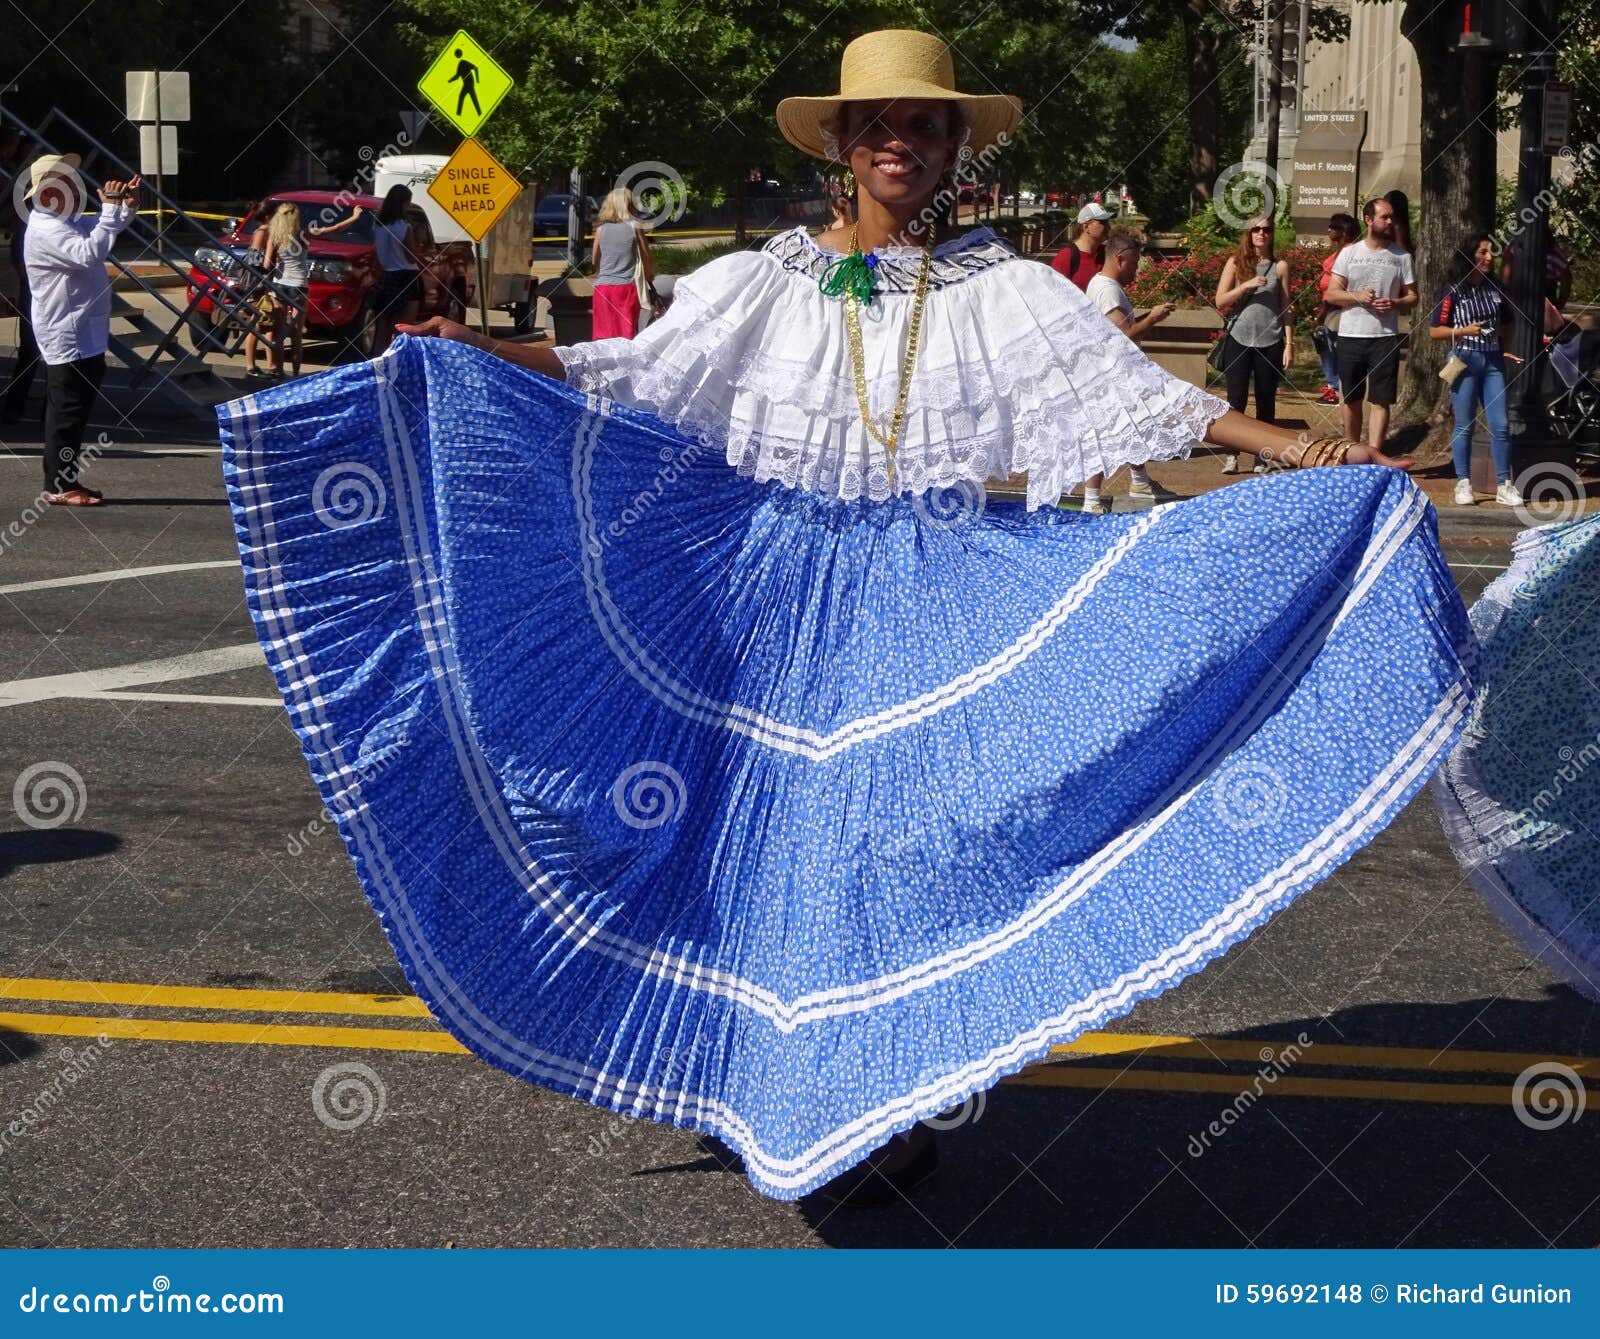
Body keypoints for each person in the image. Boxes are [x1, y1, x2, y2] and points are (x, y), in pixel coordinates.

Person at [226, 31, 1464, 1208]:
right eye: (878, 126)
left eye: (922, 129)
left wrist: (1294, 445)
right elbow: (643, 368)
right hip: (770, 587)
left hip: (935, 585)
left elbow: (1137, 397)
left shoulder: (1009, 287)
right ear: (843, 143)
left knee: (893, 849)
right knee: (765, 841)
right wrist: (484, 352)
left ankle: (883, 1090)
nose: (899, 146)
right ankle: (756, 1069)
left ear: (947, 147)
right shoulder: (766, 276)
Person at [22, 156, 139, 507]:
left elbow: (98, 230)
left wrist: (123, 209)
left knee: (74, 410)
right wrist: (111, 211)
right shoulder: (46, 228)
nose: (75, 188)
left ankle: (65, 479)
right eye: (65, 183)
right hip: (67, 332)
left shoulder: (63, 221)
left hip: (82, 331)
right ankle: (58, 484)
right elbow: (89, 253)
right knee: (66, 412)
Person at [1082, 231, 1177, 504]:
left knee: (1133, 426)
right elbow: (1123, 334)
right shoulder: (1107, 289)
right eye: (1134, 264)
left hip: (1114, 372)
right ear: (1120, 259)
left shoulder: (1103, 285)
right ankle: (1091, 500)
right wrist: (1153, 318)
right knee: (1101, 433)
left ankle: (1140, 481)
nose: (1135, 271)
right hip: (1108, 374)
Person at [1429, 233, 1523, 508]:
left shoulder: (1495, 287)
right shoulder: (1452, 290)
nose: (1488, 257)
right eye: (1482, 252)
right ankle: (1463, 482)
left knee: (1500, 424)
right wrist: (1462, 331)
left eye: (1490, 252)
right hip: (1463, 359)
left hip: (1492, 361)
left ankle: (1505, 484)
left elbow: (1508, 320)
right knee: (1464, 423)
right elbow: (1435, 330)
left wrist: (1504, 347)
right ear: (1469, 256)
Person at [1326, 196, 1417, 452]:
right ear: (1369, 220)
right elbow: (1331, 294)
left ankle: (1375, 453)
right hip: (1350, 335)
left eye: (1391, 217)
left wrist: (1395, 302)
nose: (1390, 221)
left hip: (1385, 336)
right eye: (1384, 217)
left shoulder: (1401, 257)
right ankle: (1352, 449)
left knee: (1381, 400)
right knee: (1351, 398)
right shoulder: (1349, 253)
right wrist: (1357, 296)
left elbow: (1413, 296)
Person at [1213, 216, 1293, 474]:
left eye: (1267, 229)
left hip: (1270, 339)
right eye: (1256, 229)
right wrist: (1245, 285)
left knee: (1265, 399)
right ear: (1248, 234)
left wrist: (1289, 343)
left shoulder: (1280, 266)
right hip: (1239, 337)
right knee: (1235, 398)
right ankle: (1231, 453)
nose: (1261, 234)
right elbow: (1220, 300)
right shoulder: (1236, 263)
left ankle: (1262, 455)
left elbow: (1286, 307)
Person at [261, 200, 363, 378]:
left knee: (278, 329)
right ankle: (295, 373)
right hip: (299, 286)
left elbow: (266, 264)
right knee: (297, 333)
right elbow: (335, 228)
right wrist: (354, 216)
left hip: (279, 285)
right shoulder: (304, 234)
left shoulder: (274, 237)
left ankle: (276, 370)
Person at [590, 187, 655, 340]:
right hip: (625, 288)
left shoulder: (601, 229)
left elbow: (594, 260)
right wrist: (649, 274)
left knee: (603, 335)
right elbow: (646, 256)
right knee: (625, 335)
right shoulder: (635, 227)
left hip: (603, 288)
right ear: (628, 205)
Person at [369, 185, 420, 356]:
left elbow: (377, 255)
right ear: (403, 204)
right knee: (403, 326)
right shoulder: (404, 226)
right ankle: (397, 359)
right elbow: (411, 255)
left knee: (382, 325)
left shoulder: (378, 225)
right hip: (407, 276)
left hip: (387, 276)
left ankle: (378, 359)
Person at [1313, 213, 1356, 406]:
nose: (1328, 230)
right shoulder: (1336, 254)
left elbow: (1339, 287)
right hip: (1330, 308)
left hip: (1341, 309)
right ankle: (1334, 386)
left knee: (1331, 345)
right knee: (1325, 343)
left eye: (1332, 227)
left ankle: (1336, 388)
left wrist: (1323, 313)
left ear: (1342, 230)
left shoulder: (1350, 253)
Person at [1050, 200, 1111, 290]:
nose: (1108, 227)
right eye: (1102, 223)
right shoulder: (1066, 257)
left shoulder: (1107, 253)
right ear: (1086, 226)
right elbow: (1054, 292)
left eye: (1107, 222)